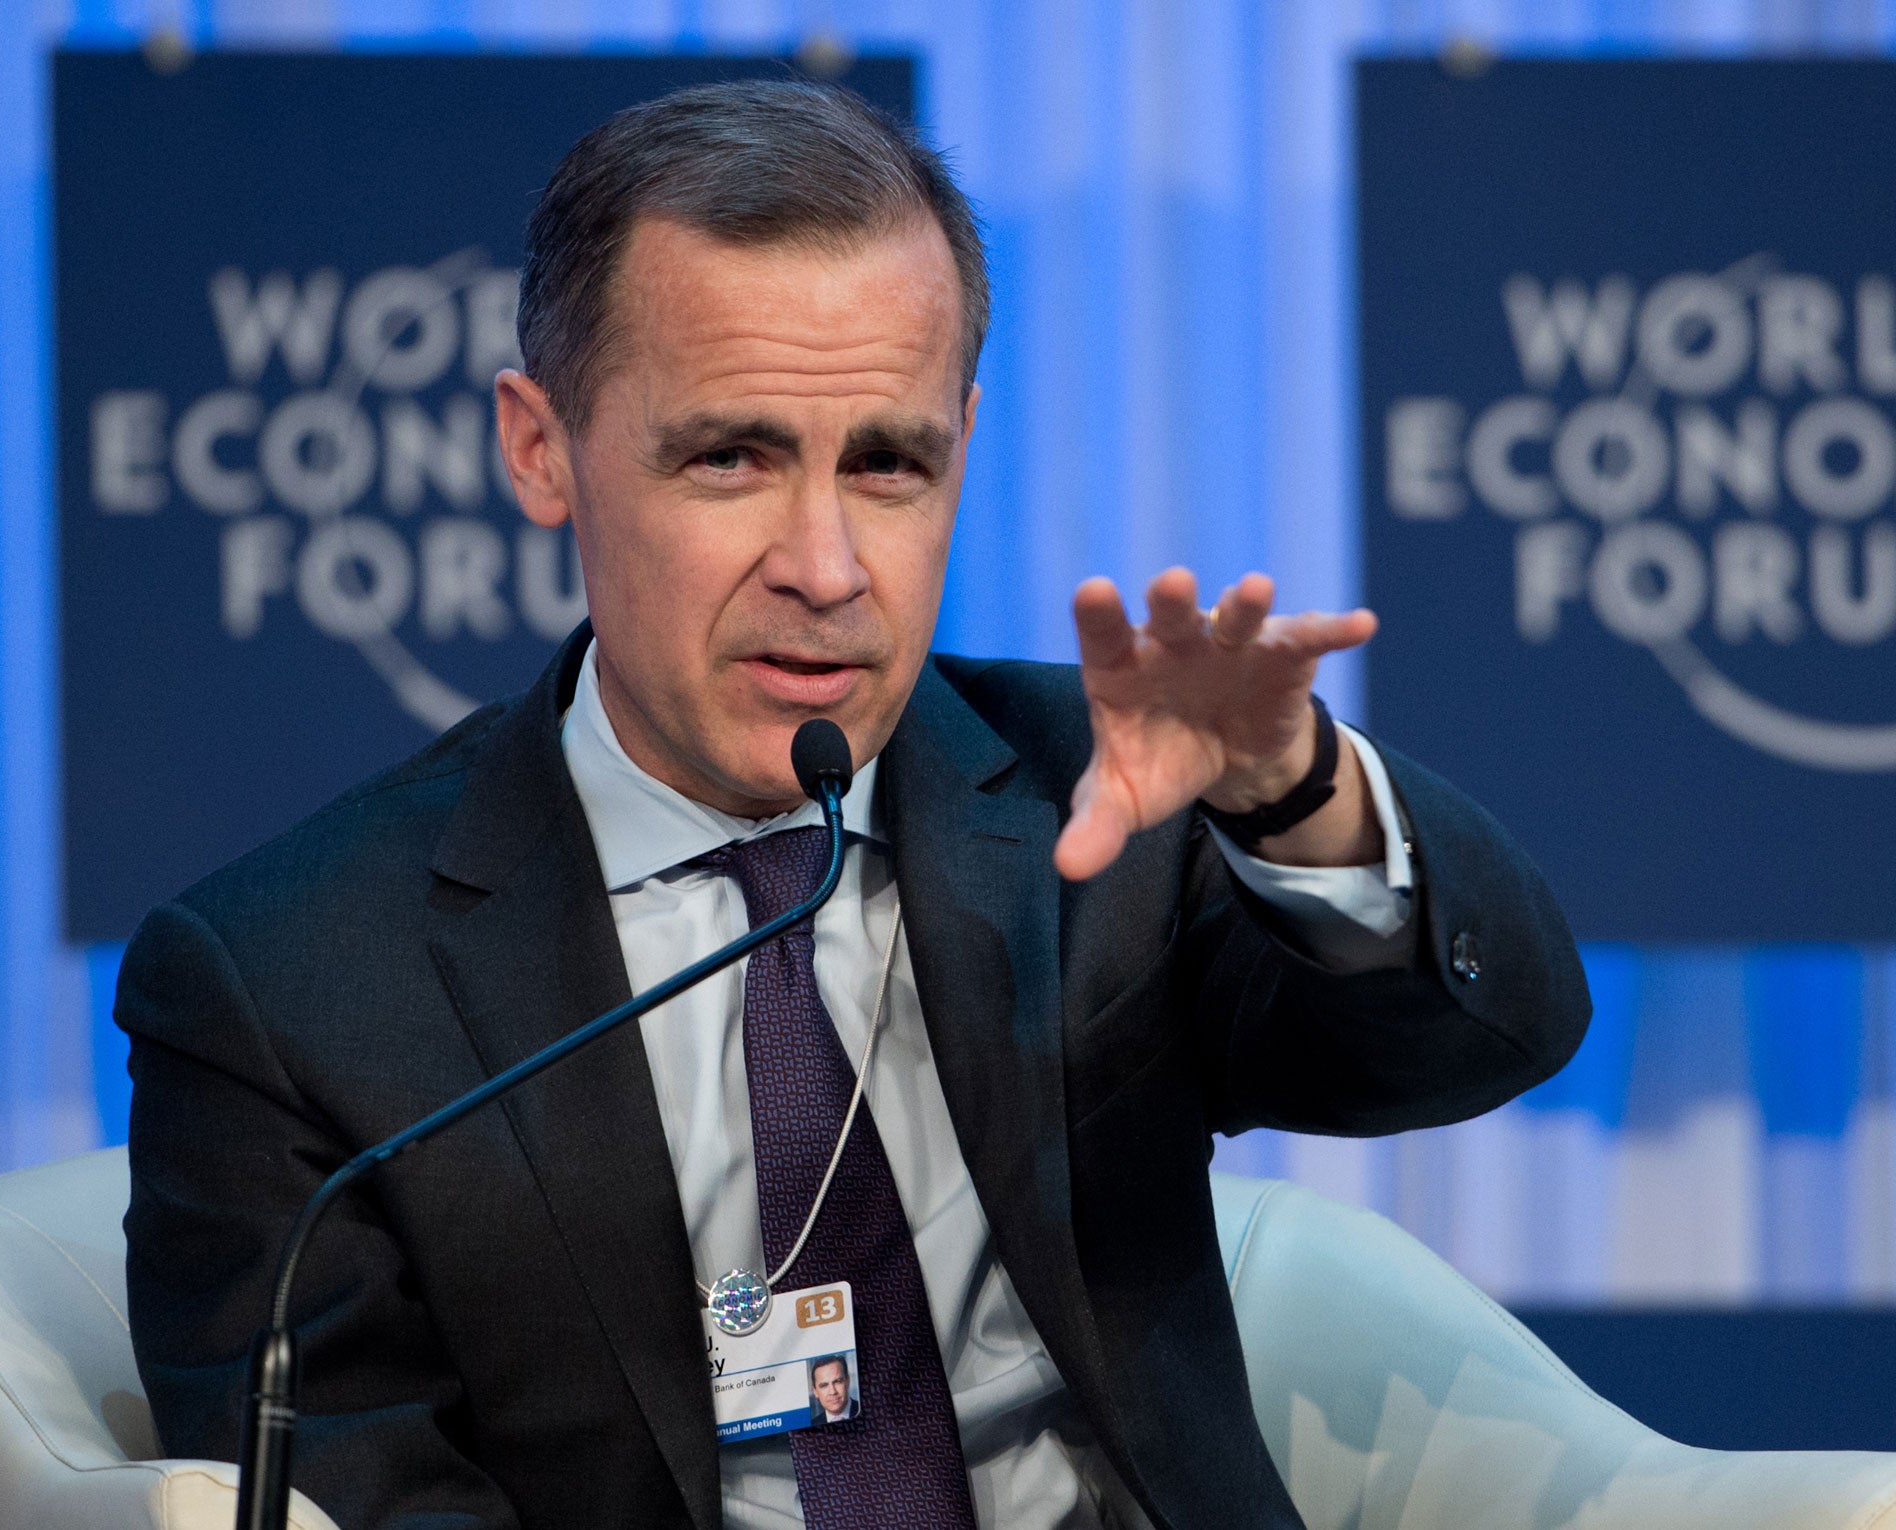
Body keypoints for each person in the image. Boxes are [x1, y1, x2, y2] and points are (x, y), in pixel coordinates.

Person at [118, 80, 1590, 1530]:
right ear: (540, 447)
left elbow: (1480, 1036)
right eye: (731, 457)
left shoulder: (1095, 798)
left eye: (888, 464)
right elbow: (360, 1498)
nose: (824, 565)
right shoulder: (288, 984)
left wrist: (1295, 794)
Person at [809, 1357, 857, 1424]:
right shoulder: (812, 1425)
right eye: (824, 1385)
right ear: (815, 1391)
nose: (833, 1392)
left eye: (838, 1382)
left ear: (848, 1381)